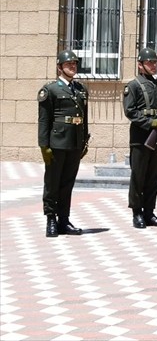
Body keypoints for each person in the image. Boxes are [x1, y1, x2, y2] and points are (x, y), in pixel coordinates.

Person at [38, 50, 89, 237]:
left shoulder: (81, 89)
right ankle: (51, 219)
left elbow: (84, 117)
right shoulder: (50, 90)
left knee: (67, 183)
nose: (73, 67)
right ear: (60, 67)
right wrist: (44, 145)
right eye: (69, 64)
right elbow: (44, 120)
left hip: (74, 142)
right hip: (57, 142)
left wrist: (84, 139)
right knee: (53, 182)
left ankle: (64, 220)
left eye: (75, 64)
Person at [123, 47, 157, 229]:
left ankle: (149, 211)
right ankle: (137, 212)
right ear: (140, 65)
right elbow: (130, 111)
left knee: (154, 176)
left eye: (155, 62)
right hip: (140, 137)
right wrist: (149, 123)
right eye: (149, 62)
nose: (153, 65)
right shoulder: (133, 86)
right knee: (138, 176)